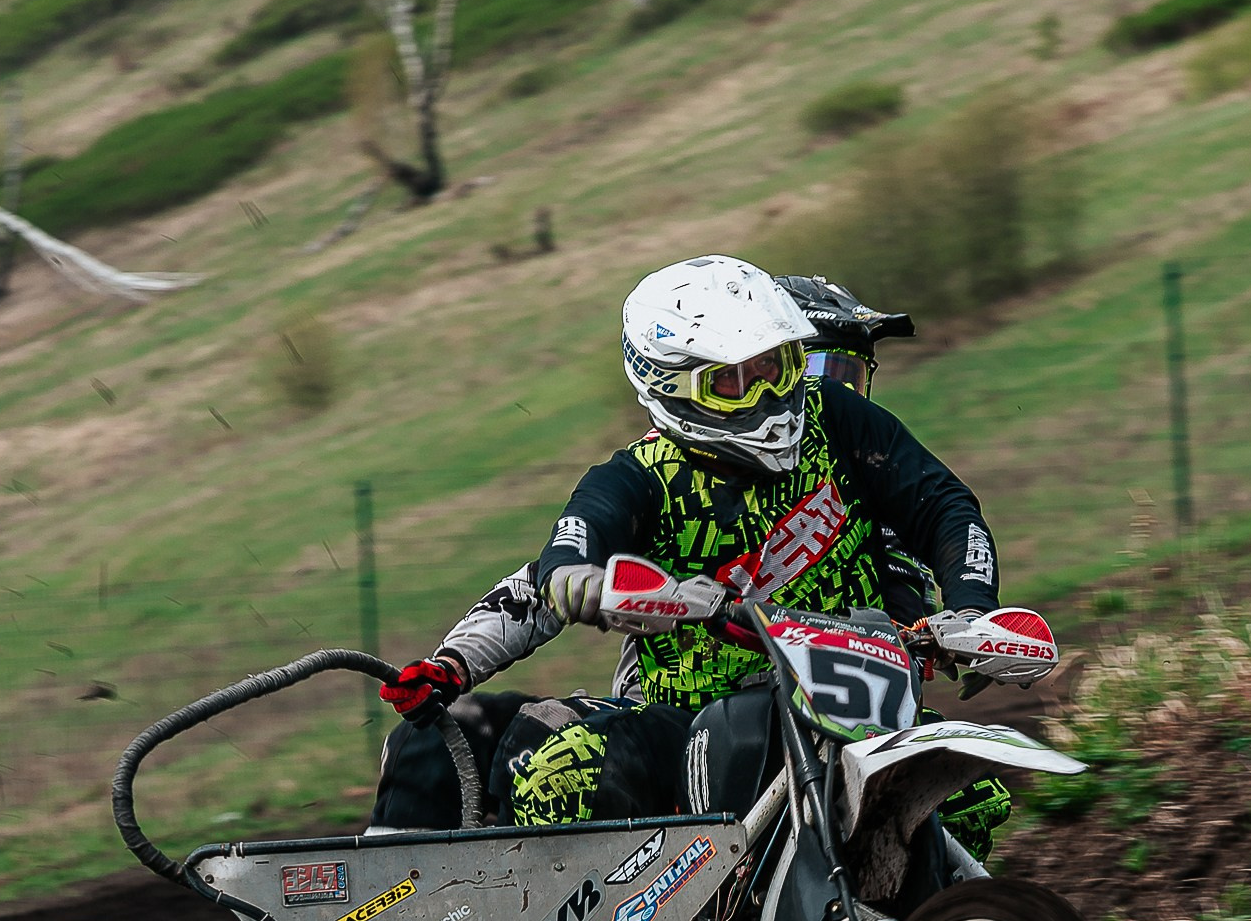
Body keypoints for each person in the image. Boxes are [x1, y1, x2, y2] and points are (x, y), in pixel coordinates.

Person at [375, 254, 1015, 856]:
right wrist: (462, 656)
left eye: (775, 369)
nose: (765, 397)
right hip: (691, 717)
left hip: (846, 704)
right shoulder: (640, 477)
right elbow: (558, 564)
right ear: (672, 389)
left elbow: (945, 506)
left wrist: (972, 611)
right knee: (557, 773)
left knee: (970, 796)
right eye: (733, 382)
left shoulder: (837, 420)